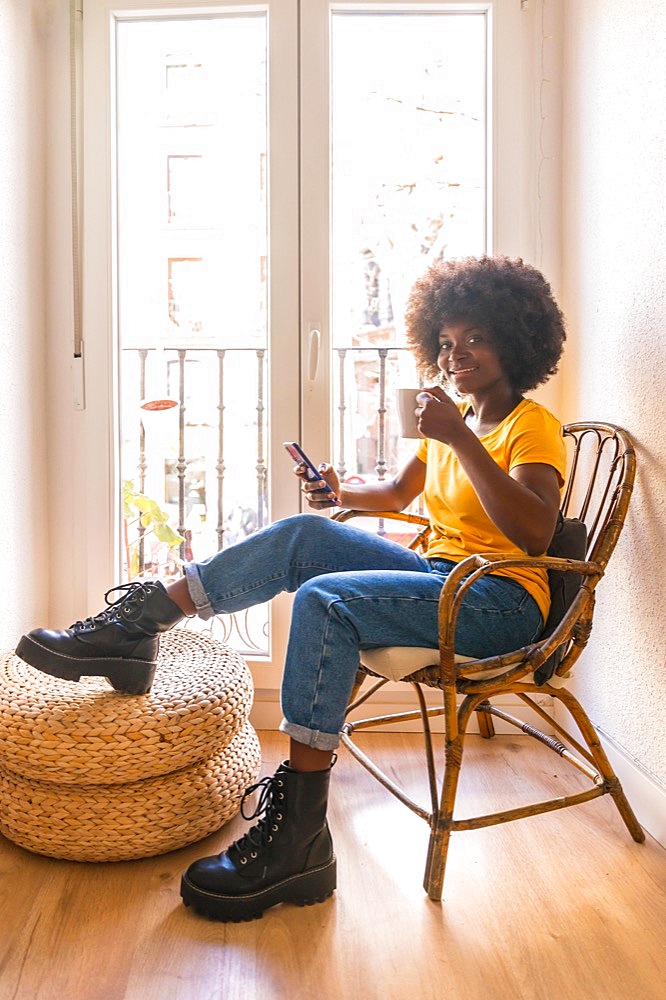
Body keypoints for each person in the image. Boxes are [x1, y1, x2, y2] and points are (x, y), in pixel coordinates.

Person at [17, 255, 567, 923]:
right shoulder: (453, 419)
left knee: (325, 599)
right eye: (446, 343)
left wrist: (460, 440)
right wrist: (340, 491)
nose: (455, 356)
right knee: (305, 533)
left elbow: (536, 532)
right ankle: (139, 625)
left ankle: (299, 837)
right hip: (439, 578)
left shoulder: (529, 425)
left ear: (516, 338)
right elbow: (397, 493)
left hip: (495, 601)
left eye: (474, 339)